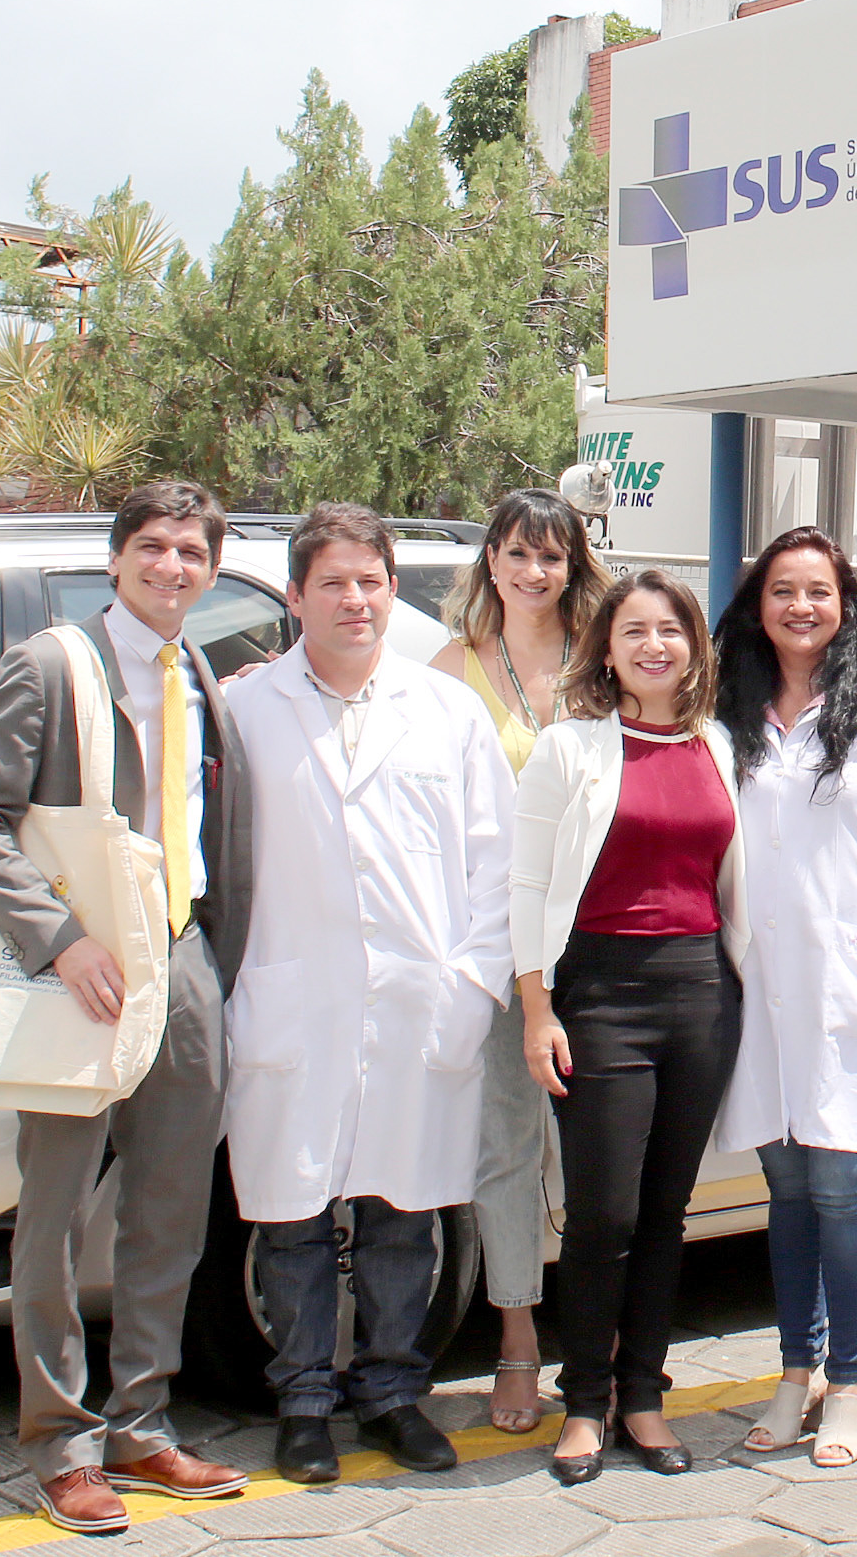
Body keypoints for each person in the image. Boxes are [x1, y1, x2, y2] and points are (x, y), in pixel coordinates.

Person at [0, 480, 258, 1534]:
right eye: (154, 547)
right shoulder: (51, 665)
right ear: (116, 559)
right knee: (57, 1211)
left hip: (183, 957)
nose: (173, 567)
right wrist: (61, 940)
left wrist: (213, 956)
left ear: (212, 571)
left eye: (193, 553)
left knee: (171, 1206)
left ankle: (142, 1426)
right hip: (83, 972)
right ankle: (60, 1444)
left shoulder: (199, 672)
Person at [220, 505, 513, 1484]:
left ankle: (392, 1392)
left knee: (401, 1216)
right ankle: (304, 1399)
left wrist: (471, 986)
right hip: (293, 1000)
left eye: (371, 581)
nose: (355, 599)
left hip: (419, 1004)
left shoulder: (448, 711)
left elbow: (495, 863)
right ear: (294, 596)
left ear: (393, 591)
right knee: (292, 1218)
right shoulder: (248, 711)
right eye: (333, 583)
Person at [711, 529, 857, 1471]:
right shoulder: (726, 709)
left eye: (819, 591)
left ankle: (848, 1381)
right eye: (783, 591)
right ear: (757, 605)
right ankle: (793, 1371)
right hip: (760, 986)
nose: (801, 607)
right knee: (788, 1189)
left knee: (847, 1187)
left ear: (847, 605)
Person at [514, 572, 744, 1487]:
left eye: (672, 630)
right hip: (599, 993)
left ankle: (642, 1396)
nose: (655, 646)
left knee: (663, 1213)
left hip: (701, 990)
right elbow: (528, 882)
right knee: (602, 1214)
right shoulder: (569, 747)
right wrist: (538, 1008)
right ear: (606, 651)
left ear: (695, 647)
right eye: (635, 631)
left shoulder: (718, 744)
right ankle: (584, 1403)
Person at [447, 485, 613, 1436]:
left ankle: (603, 1345)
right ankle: (517, 1344)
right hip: (505, 947)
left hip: (603, 943)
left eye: (551, 555)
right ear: (492, 561)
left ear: (572, 565)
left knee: (601, 1157)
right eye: (517, 552)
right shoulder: (452, 667)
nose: (534, 571)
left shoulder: (606, 661)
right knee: (507, 1147)